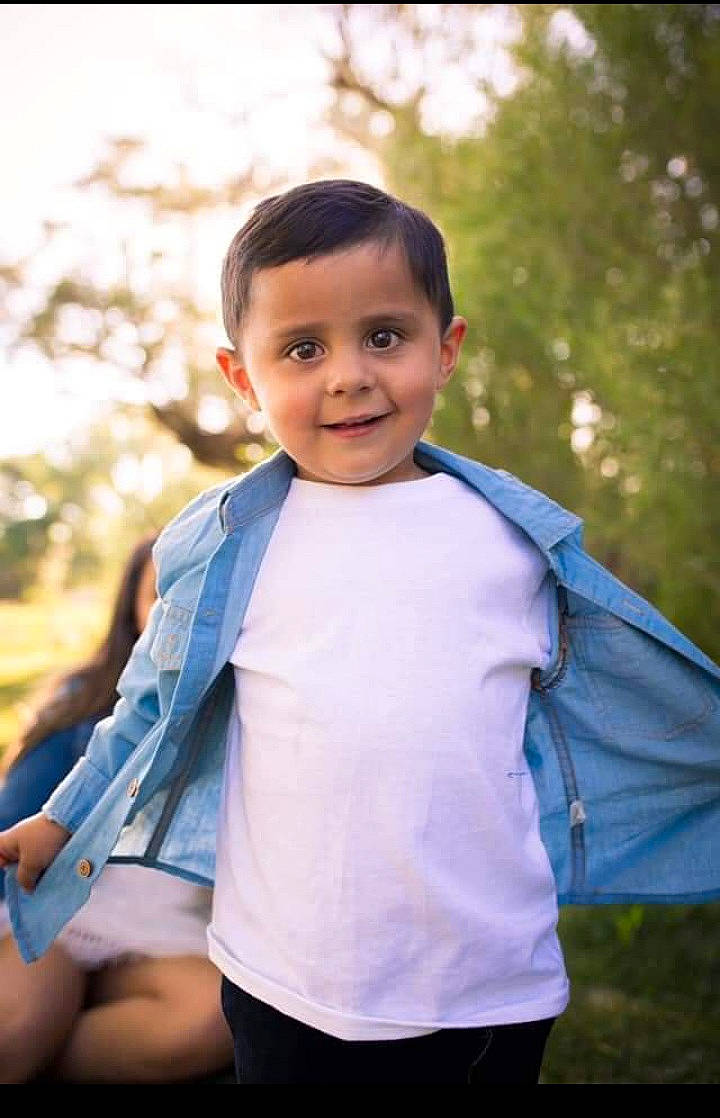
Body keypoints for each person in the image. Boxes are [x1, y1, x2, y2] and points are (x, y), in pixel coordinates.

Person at [1, 179, 719, 1086]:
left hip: (484, 980)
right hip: (284, 982)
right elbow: (145, 702)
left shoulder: (509, 542)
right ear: (242, 379)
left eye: (384, 336)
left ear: (446, 348)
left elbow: (620, 701)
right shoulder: (233, 547)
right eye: (302, 349)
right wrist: (63, 814)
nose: (347, 375)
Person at [0, 535, 233, 1083]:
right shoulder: (87, 701)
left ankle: (50, 1057)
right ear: (133, 606)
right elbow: (13, 824)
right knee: (28, 1012)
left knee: (209, 1018)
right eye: (160, 595)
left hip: (171, 931)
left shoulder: (253, 715)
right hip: (61, 907)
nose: (180, 612)